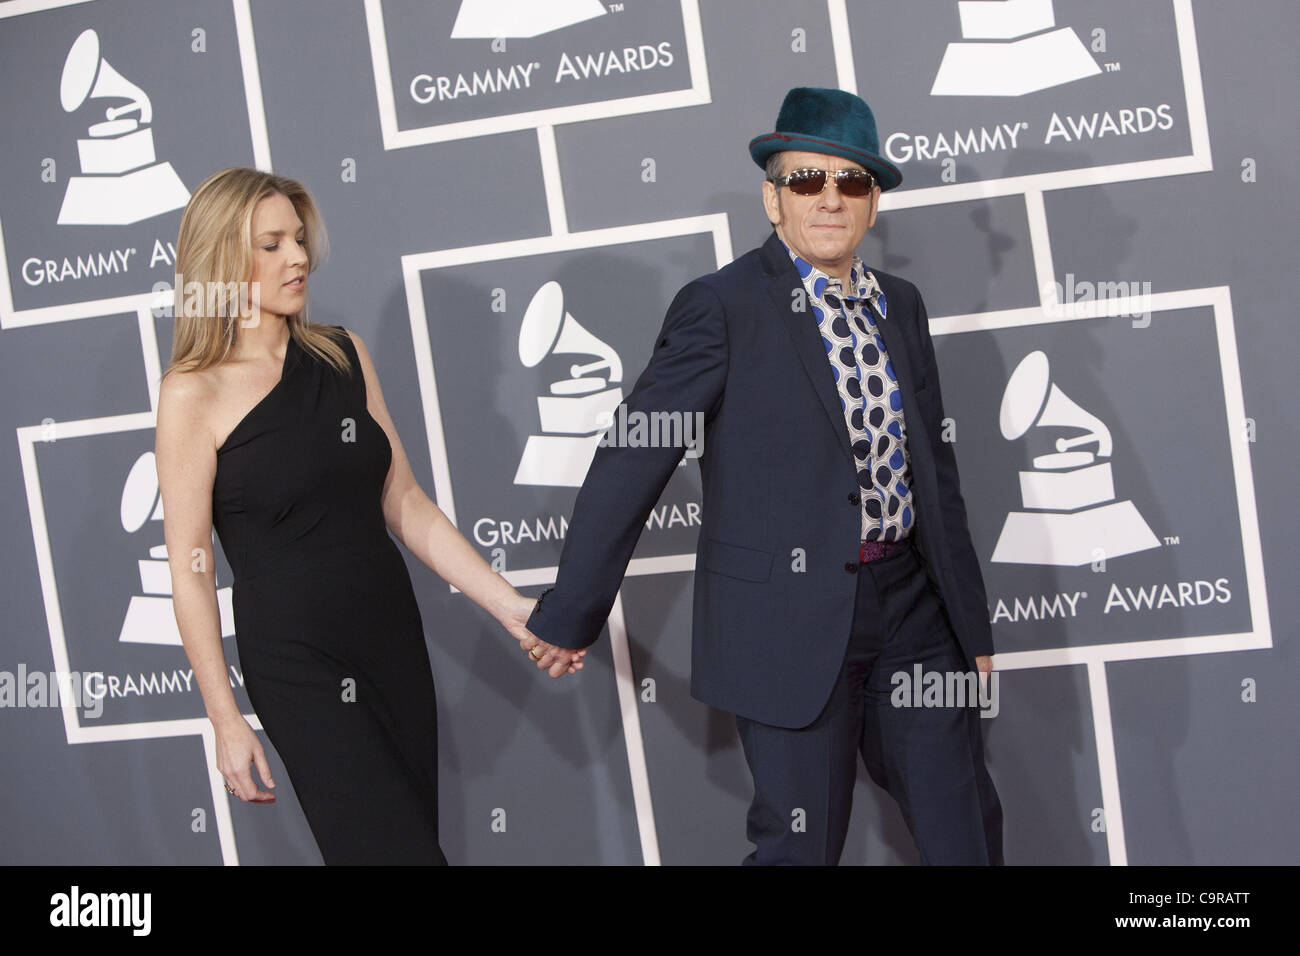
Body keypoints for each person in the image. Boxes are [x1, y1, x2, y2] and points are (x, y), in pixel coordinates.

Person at [524, 88, 1004, 864]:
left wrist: (970, 623)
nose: (829, 198)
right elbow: (635, 456)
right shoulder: (721, 307)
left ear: (873, 202)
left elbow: (935, 476)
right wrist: (571, 609)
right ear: (771, 197)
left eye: (850, 183)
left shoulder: (900, 307)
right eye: (806, 180)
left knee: (966, 828)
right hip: (787, 622)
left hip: (915, 616)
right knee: (800, 849)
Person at [155, 167, 583, 865]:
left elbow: (406, 503)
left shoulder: (342, 355)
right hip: (298, 662)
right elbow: (189, 569)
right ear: (220, 259)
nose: (298, 257)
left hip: (390, 643)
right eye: (271, 244)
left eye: (298, 239)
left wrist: (513, 609)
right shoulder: (191, 393)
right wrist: (224, 717)